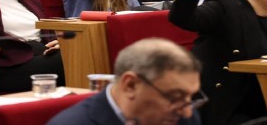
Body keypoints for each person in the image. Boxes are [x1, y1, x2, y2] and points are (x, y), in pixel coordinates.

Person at [49, 38, 203, 125]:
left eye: (190, 97)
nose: (187, 111)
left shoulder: (184, 116)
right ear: (131, 85)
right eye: (175, 97)